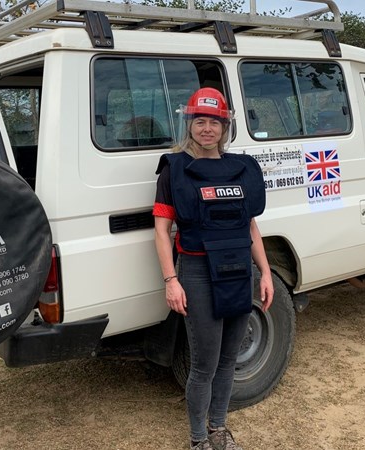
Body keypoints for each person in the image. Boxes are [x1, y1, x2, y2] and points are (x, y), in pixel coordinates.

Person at [152, 87, 274, 450]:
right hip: (197, 272)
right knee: (204, 363)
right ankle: (198, 439)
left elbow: (250, 227)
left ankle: (219, 428)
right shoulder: (174, 170)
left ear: (225, 127)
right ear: (190, 124)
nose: (207, 129)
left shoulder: (242, 170)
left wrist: (266, 273)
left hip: (239, 271)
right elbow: (161, 231)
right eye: (200, 121)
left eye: (214, 122)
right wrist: (171, 280)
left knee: (228, 359)